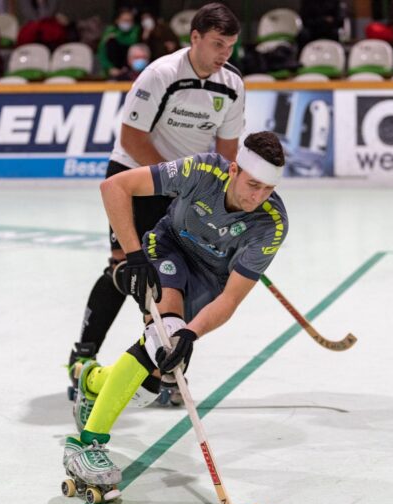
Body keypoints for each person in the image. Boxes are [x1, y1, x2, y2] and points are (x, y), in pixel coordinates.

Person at [62, 131, 289, 493]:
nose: (257, 197)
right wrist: (134, 255)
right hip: (168, 249)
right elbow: (114, 187)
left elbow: (230, 299)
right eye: (252, 185)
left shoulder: (272, 224)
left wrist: (191, 332)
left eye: (267, 189)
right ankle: (85, 445)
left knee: (150, 385)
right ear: (233, 170)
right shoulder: (202, 171)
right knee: (162, 338)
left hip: (208, 281)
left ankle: (91, 381)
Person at [64, 2, 244, 404]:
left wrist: (223, 200)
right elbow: (131, 139)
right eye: (217, 44)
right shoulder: (161, 74)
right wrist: (175, 183)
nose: (225, 54)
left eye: (230, 46)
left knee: (179, 275)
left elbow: (227, 153)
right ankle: (83, 356)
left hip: (186, 187)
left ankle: (168, 372)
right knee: (125, 268)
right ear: (195, 38)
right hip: (136, 175)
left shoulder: (232, 84)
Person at [97, 7, 139, 78]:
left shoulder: (136, 30)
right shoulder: (110, 31)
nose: (127, 23)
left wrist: (117, 37)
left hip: (131, 70)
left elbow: (132, 41)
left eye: (130, 21)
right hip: (112, 71)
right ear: (117, 20)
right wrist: (109, 68)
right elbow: (101, 52)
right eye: (125, 20)